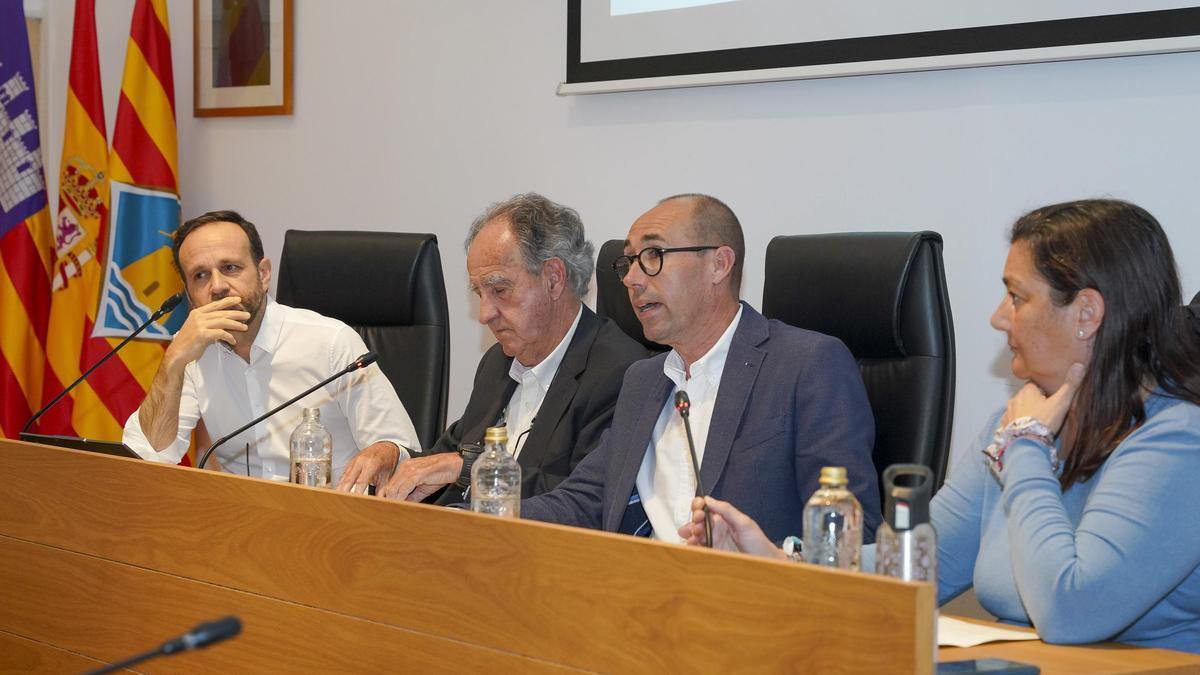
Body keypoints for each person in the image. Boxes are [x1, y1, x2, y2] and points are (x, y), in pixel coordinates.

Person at [680, 199, 1200, 654]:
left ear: (1086, 312)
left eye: (1017, 298)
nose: (999, 318)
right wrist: (778, 559)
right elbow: (912, 569)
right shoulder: (1019, 423)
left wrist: (1026, 450)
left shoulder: (1176, 440)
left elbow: (1071, 611)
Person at [521, 194, 881, 543]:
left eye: (652, 255)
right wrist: (478, 514)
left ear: (719, 264)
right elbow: (585, 499)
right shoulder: (642, 379)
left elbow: (852, 536)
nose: (631, 278)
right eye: (628, 262)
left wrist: (771, 556)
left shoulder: (807, 366)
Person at [123, 210, 420, 492]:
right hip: (241, 520)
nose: (217, 286)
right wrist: (174, 359)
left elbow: (400, 447)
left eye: (230, 268)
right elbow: (148, 457)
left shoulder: (331, 342)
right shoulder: (192, 352)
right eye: (200, 275)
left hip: (331, 516)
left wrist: (383, 452)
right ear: (189, 293)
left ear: (264, 274)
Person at [378, 194, 647, 504]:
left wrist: (471, 469)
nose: (484, 314)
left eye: (499, 290)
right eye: (480, 293)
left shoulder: (619, 372)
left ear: (554, 279)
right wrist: (395, 456)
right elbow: (444, 459)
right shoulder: (498, 362)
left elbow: (586, 500)